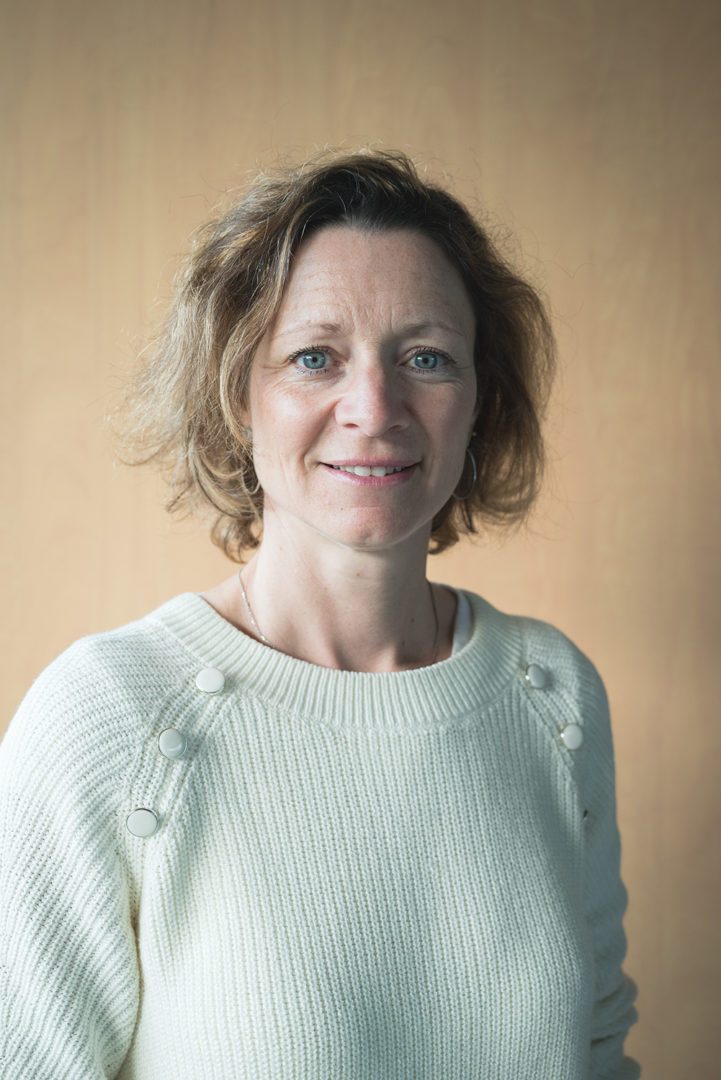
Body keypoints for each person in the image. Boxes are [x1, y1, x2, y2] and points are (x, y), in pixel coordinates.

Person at [0, 147, 641, 1078]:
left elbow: (598, 1048)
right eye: (314, 358)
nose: (374, 408)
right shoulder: (108, 718)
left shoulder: (553, 694)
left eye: (426, 358)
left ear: (478, 401)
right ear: (236, 396)